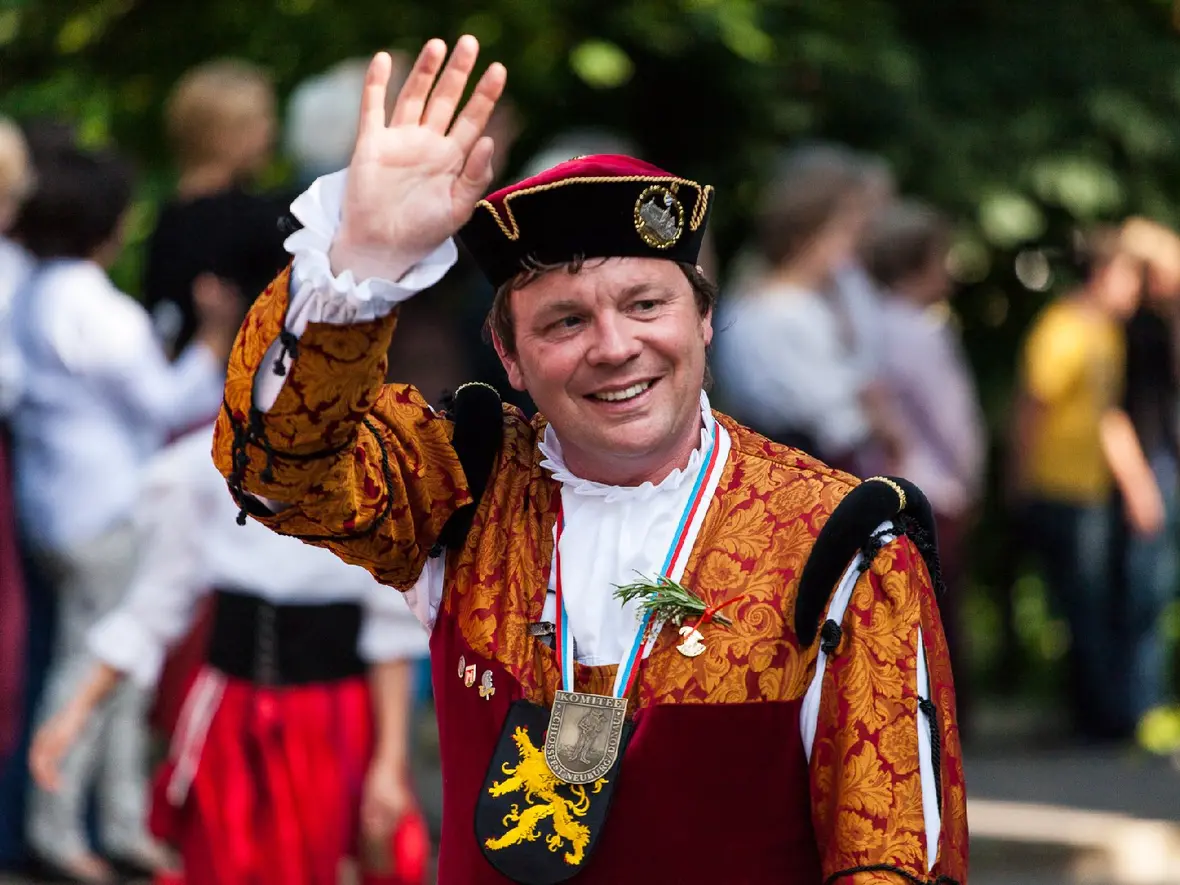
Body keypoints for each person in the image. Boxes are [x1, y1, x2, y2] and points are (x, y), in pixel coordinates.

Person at [212, 37, 967, 884]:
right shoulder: (462, 481)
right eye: (564, 322)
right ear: (509, 356)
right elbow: (276, 469)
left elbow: (894, 857)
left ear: (704, 321)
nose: (615, 347)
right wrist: (364, 260)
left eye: (646, 304)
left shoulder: (840, 541)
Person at [30, 421, 431, 885]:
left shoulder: (373, 470)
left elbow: (388, 640)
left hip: (327, 723)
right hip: (228, 720)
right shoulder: (203, 466)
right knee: (219, 862)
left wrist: (388, 762)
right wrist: (75, 712)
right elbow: (154, 607)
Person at [8, 139, 238, 883]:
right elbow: (169, 401)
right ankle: (61, 827)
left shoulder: (33, 291)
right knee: (98, 669)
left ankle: (116, 820)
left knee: (112, 668)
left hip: (53, 504)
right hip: (104, 509)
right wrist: (210, 337)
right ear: (104, 221)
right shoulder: (96, 307)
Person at [1008, 226, 1147, 741]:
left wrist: (1135, 485)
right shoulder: (1062, 329)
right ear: (1104, 274)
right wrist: (1019, 482)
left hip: (1090, 490)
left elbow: (1106, 415)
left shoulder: (1106, 334)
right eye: (1131, 278)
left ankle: (1101, 715)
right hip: (1057, 487)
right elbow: (1030, 408)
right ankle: (1098, 720)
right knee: (1080, 603)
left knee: (1094, 601)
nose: (1136, 291)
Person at [862, 201, 987, 732]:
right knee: (941, 609)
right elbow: (951, 419)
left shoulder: (870, 324)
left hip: (884, 482)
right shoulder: (923, 331)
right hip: (936, 486)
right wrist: (974, 474)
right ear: (918, 262)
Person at [143, 59, 292, 359]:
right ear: (223, 134)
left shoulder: (168, 219)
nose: (269, 133)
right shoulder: (256, 221)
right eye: (258, 122)